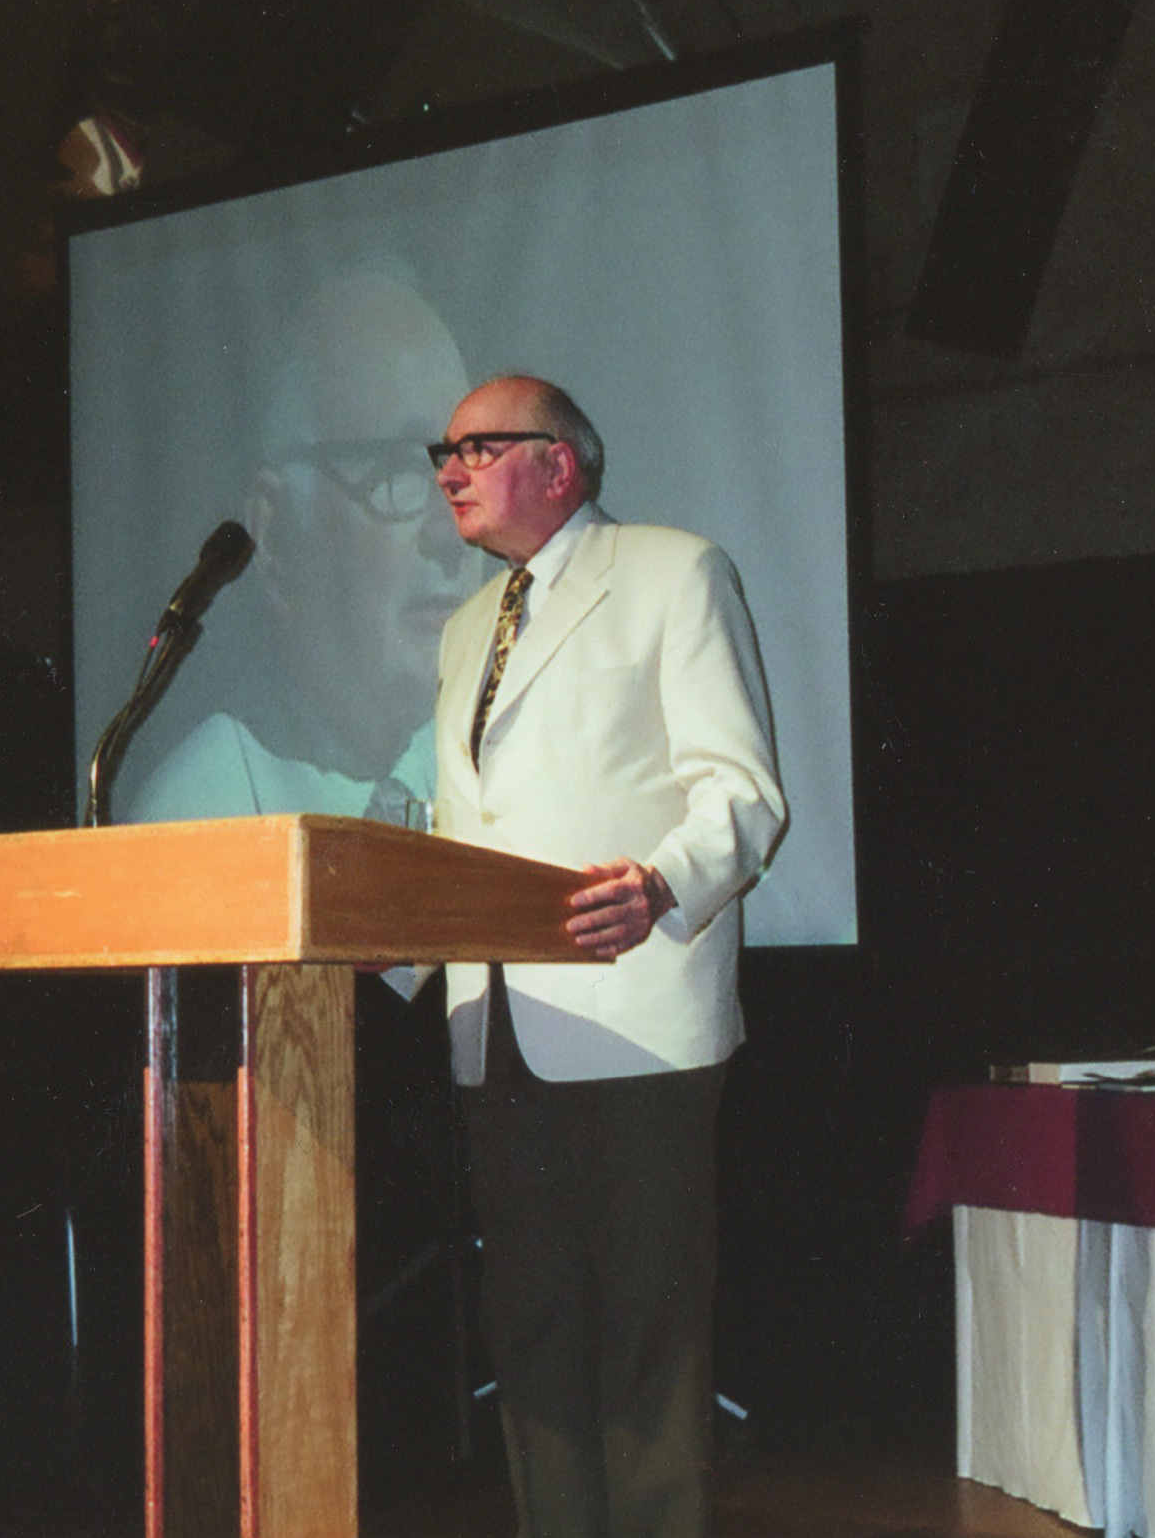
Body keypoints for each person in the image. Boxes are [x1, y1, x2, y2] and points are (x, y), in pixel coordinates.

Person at [428, 375, 787, 1538]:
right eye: (445, 451)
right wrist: (378, 948)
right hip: (495, 1026)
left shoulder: (672, 572)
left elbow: (738, 790)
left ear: (559, 465)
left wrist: (660, 883)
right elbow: (462, 825)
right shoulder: (460, 630)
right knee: (527, 1328)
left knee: (646, 1329)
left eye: (476, 447)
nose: (448, 469)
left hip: (634, 1017)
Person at [128, 270, 484, 823]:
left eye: (470, 468)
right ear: (274, 535)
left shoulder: (518, 780)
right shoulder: (192, 823)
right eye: (400, 470)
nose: (456, 531)